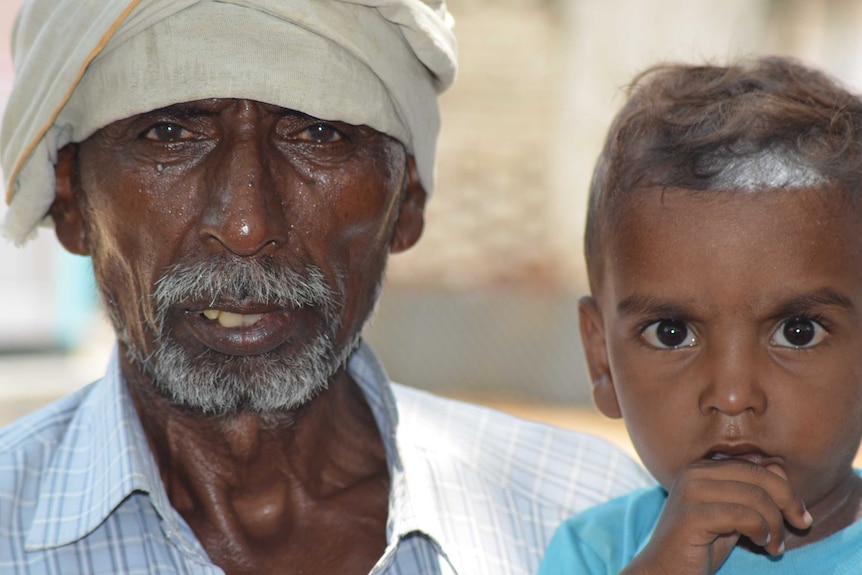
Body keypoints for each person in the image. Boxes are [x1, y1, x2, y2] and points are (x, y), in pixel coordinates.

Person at [0, 1, 654, 574]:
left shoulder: (592, 525)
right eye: (170, 133)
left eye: (318, 133)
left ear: (407, 204)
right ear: (71, 202)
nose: (248, 224)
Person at [537, 55, 862, 575]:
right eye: (672, 333)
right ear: (602, 360)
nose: (732, 395)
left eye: (797, 332)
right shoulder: (598, 552)